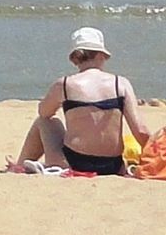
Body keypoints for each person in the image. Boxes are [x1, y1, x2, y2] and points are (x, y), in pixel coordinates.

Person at [8, 25, 151, 174]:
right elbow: (140, 131)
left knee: (45, 122)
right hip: (112, 166)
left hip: (74, 163)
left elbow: (44, 112)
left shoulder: (64, 84)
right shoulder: (120, 83)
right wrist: (154, 157)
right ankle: (22, 166)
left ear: (75, 58)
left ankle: (19, 166)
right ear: (101, 55)